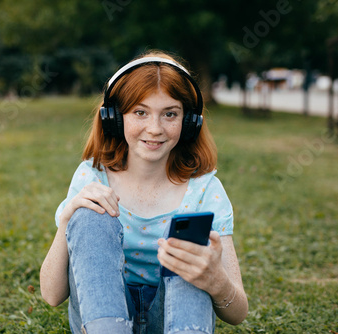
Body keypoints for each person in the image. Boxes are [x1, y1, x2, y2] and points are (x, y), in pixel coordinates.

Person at [40, 50, 248, 334]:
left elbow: (238, 313)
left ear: (189, 123)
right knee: (89, 215)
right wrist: (68, 219)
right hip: (104, 316)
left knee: (187, 241)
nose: (155, 128)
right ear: (114, 118)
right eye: (140, 112)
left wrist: (216, 280)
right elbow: (52, 295)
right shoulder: (93, 176)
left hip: (173, 321)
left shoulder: (204, 190)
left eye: (170, 114)